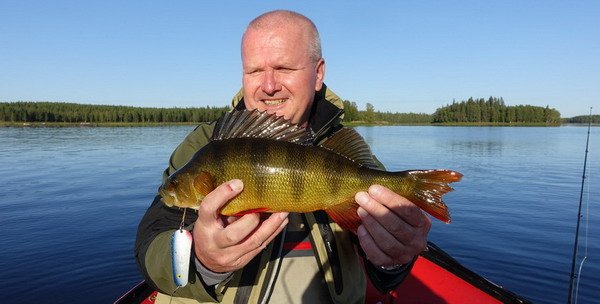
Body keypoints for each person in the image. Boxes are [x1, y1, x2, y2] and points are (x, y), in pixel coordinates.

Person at [135, 10, 431, 304]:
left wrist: (394, 258)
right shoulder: (207, 145)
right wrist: (203, 262)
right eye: (253, 71)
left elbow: (384, 273)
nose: (268, 86)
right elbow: (151, 244)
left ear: (318, 74)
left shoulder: (340, 151)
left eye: (284, 68)